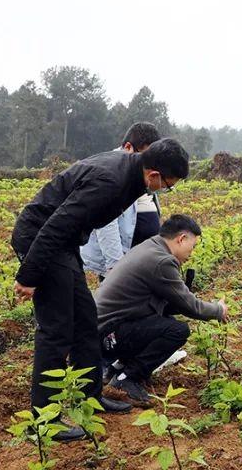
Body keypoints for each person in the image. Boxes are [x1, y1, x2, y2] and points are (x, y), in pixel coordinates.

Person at [11, 138, 190, 440]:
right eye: (168, 185)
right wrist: (29, 275)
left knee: (85, 321)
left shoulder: (130, 174)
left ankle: (89, 397)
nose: (165, 190)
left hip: (64, 244)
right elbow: (56, 224)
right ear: (155, 175)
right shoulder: (111, 180)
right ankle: (43, 421)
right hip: (41, 238)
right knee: (56, 330)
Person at [95, 214, 227, 402]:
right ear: (181, 239)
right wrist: (218, 310)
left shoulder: (149, 247)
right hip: (106, 335)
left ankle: (116, 369)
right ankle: (127, 379)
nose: (191, 253)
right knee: (176, 330)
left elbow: (168, 305)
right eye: (193, 246)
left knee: (164, 323)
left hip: (102, 331)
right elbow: (190, 306)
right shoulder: (161, 260)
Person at [80, 123, 160, 281]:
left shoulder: (139, 169)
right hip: (121, 261)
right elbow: (105, 224)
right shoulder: (112, 171)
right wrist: (115, 266)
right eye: (145, 156)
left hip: (141, 257)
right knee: (119, 302)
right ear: (129, 147)